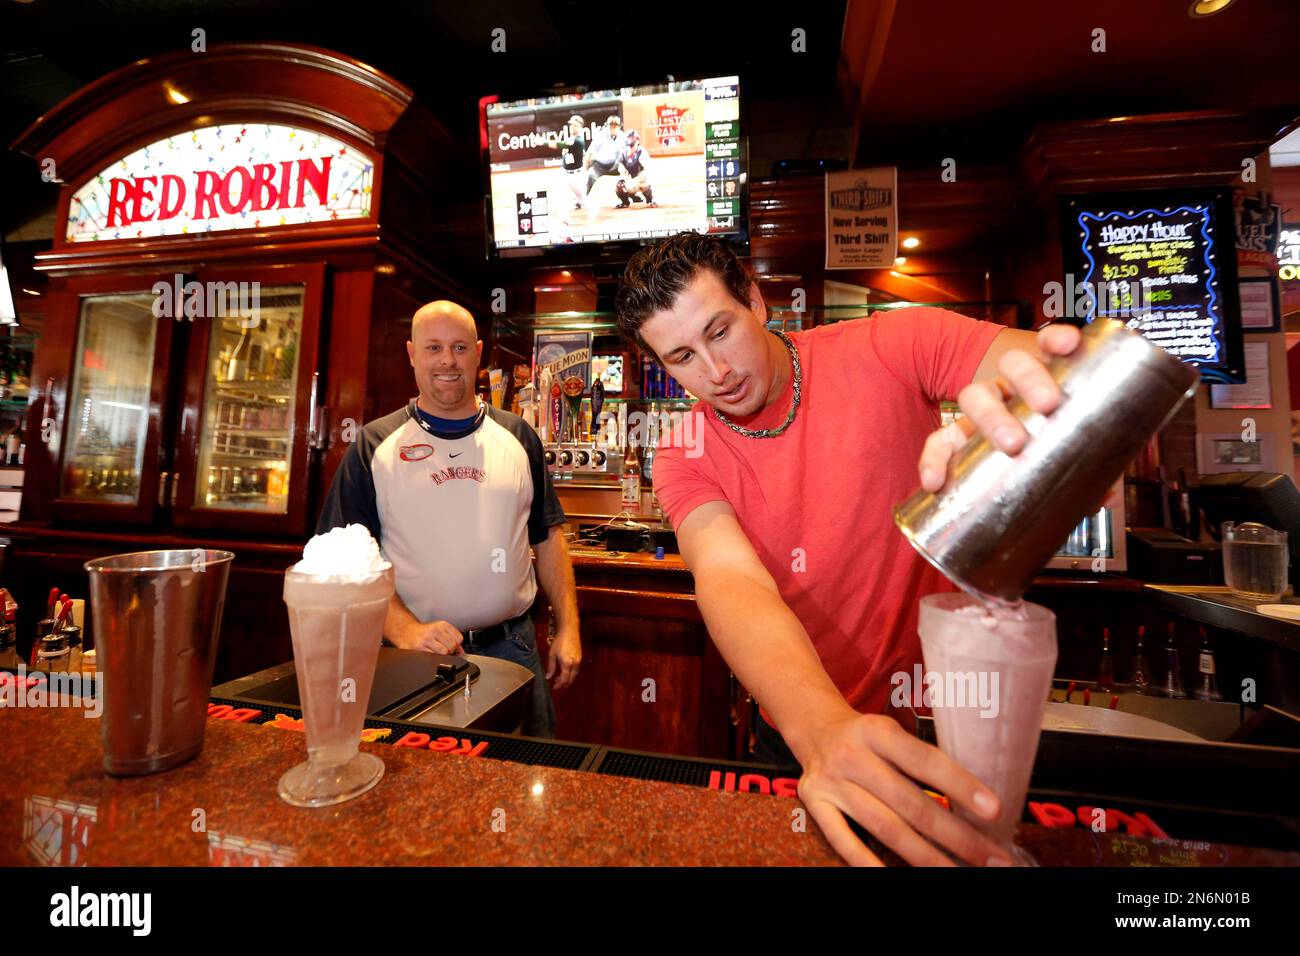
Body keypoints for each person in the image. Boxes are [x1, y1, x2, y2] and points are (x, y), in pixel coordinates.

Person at [615, 231, 1095, 866]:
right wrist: (819, 730)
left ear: (756, 302)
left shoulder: (889, 344)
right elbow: (731, 578)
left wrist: (1061, 419)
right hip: (803, 729)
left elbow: (1063, 374)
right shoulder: (685, 452)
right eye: (681, 356)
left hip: (946, 720)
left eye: (720, 331)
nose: (717, 371)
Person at [316, 300, 582, 738]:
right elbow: (341, 561)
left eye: (459, 348)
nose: (447, 361)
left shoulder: (518, 437)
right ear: (411, 353)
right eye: (433, 347)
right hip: (412, 657)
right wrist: (404, 630)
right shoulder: (374, 444)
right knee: (423, 792)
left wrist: (568, 627)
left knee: (526, 783)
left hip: (514, 649)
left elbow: (548, 536)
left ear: (477, 353)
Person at [584, 114, 627, 200]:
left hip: (615, 166)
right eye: (611, 126)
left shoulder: (623, 137)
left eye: (615, 126)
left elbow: (627, 154)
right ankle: (582, 199)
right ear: (607, 126)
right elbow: (589, 153)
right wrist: (584, 169)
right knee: (590, 176)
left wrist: (627, 169)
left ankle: (631, 196)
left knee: (626, 176)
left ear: (619, 127)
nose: (613, 128)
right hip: (599, 166)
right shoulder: (600, 136)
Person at [614, 130, 656, 208]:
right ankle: (627, 201)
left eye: (632, 138)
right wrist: (626, 179)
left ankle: (650, 200)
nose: (631, 140)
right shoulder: (623, 153)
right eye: (629, 138)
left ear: (637, 139)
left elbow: (648, 170)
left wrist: (636, 180)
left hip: (640, 179)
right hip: (630, 179)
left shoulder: (641, 152)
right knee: (620, 186)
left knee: (645, 183)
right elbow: (622, 170)